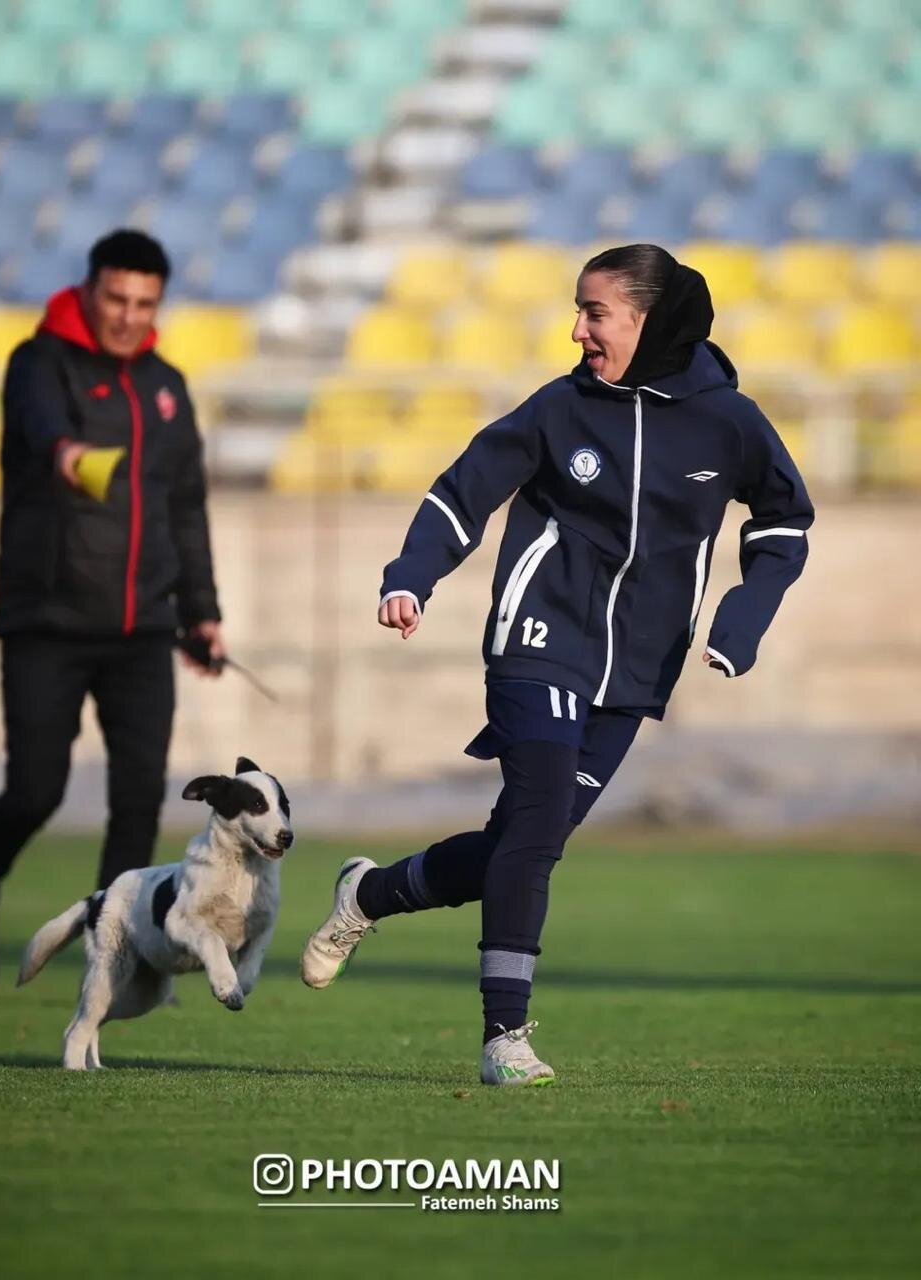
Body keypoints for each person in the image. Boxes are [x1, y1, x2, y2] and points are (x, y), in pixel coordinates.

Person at [300, 243, 815, 1086]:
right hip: (538, 641)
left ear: (650, 321)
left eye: (594, 312)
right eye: (578, 311)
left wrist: (743, 617)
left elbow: (785, 524)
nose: (576, 330)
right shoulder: (558, 408)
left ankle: (369, 894)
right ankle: (504, 1036)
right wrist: (410, 577)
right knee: (536, 830)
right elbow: (462, 491)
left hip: (637, 671)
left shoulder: (730, 421)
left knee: (520, 843)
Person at [0, 229, 224, 997]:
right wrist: (66, 454)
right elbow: (43, 428)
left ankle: (113, 957)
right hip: (47, 620)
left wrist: (201, 611)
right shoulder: (39, 363)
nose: (129, 316)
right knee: (35, 790)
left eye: (145, 303)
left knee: (137, 802)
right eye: (116, 299)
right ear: (89, 290)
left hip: (143, 628)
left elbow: (186, 507)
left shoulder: (166, 386)